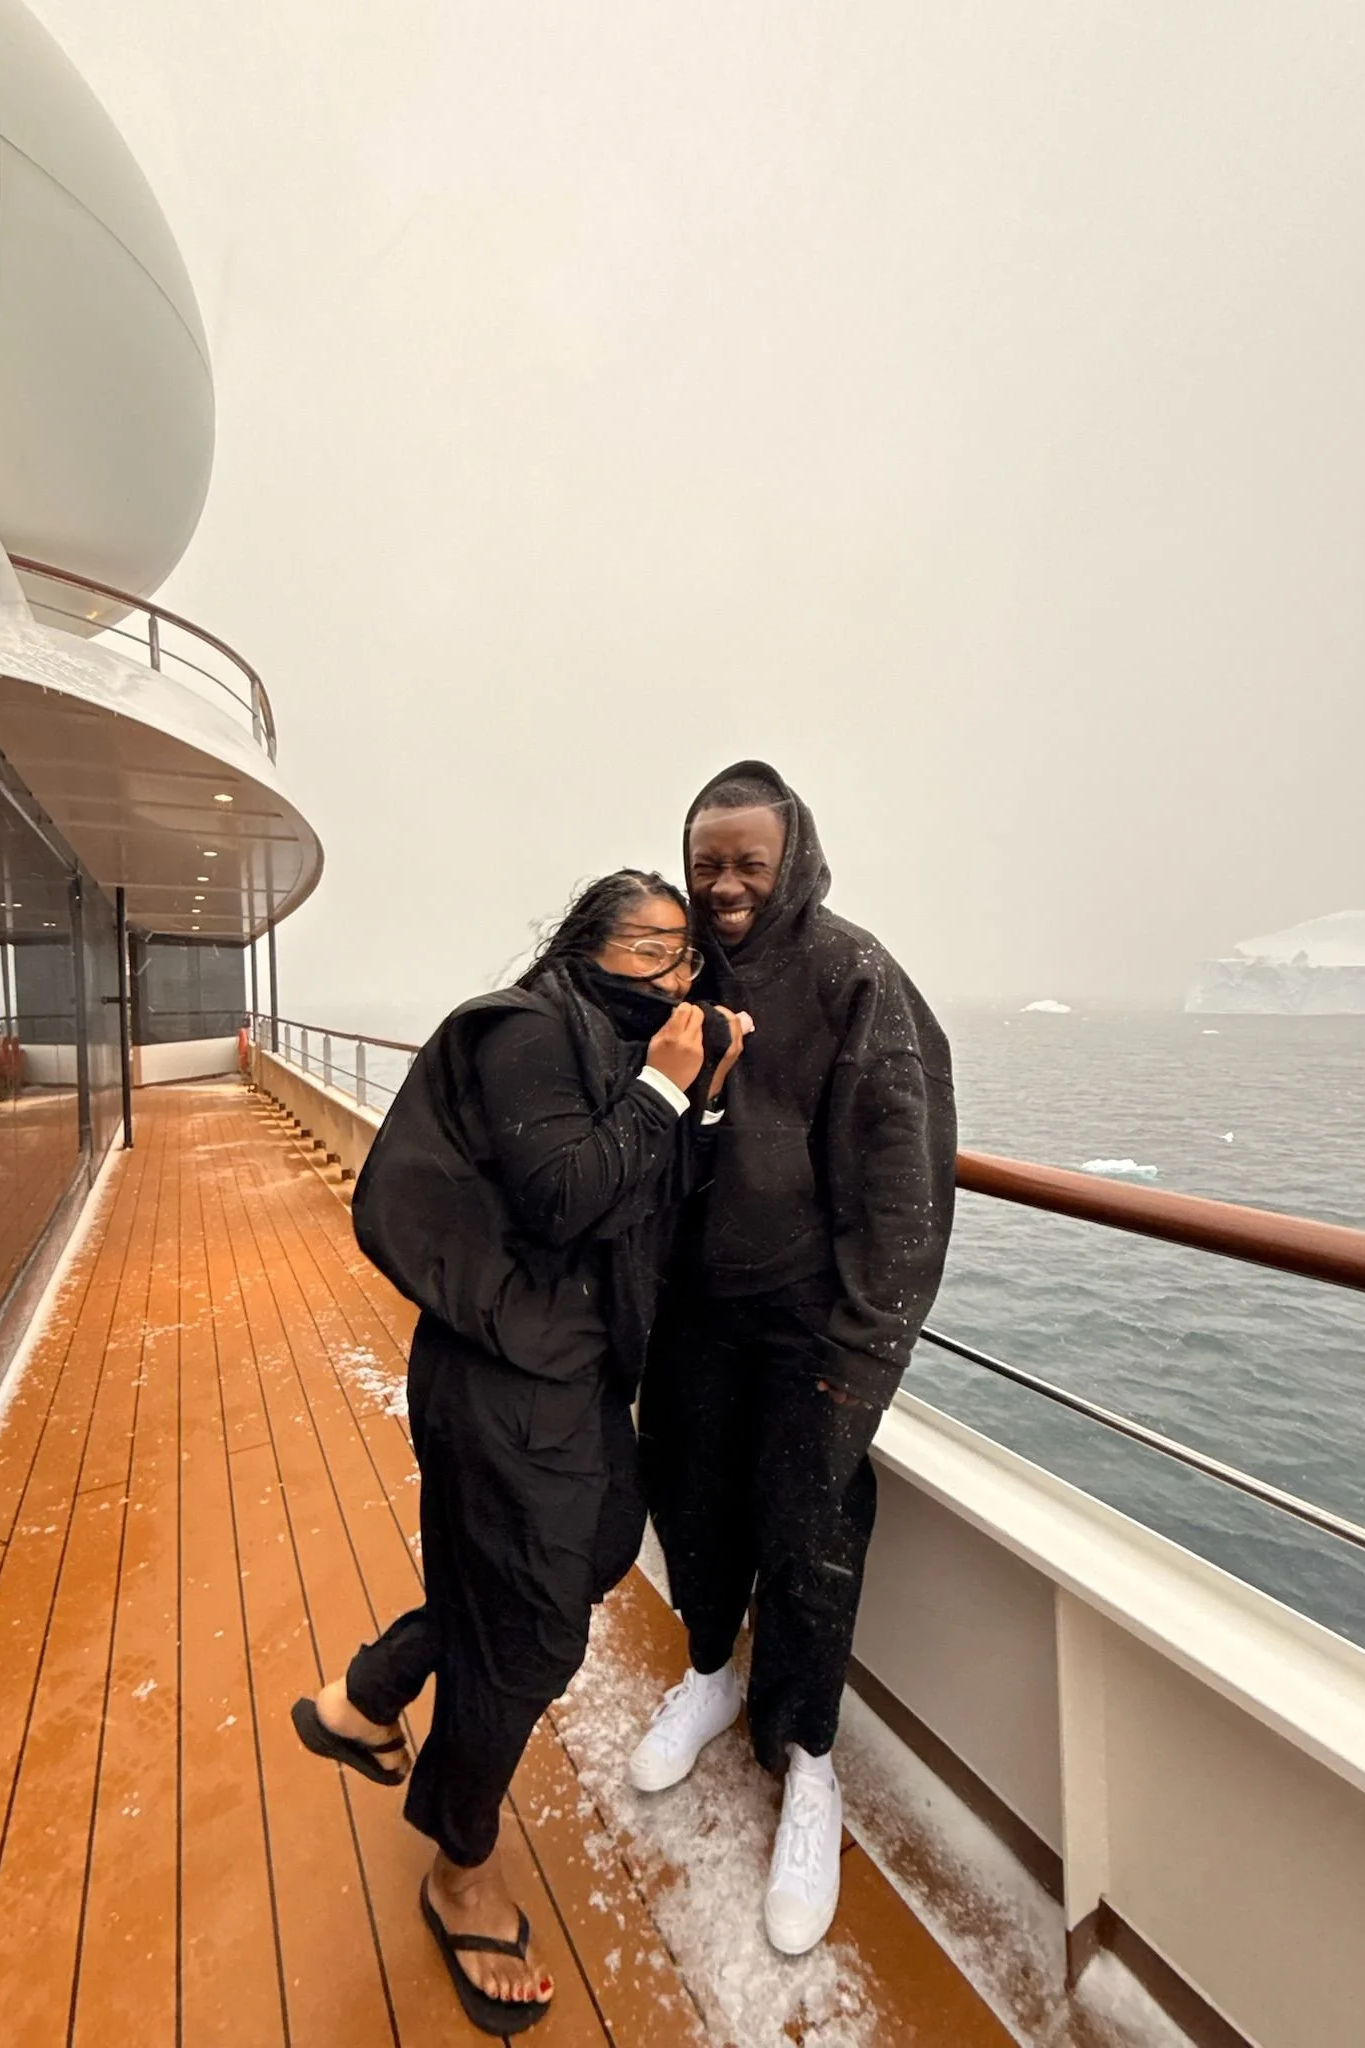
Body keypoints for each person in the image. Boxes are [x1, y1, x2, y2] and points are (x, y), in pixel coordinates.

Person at [291, 870, 743, 2037]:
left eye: (687, 956)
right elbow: (561, 1198)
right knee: (533, 1634)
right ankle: (460, 1864)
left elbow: (651, 1200)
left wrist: (696, 1100)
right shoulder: (530, 1032)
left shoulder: (618, 1044)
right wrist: (665, 1085)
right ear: (590, 944)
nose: (678, 975)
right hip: (500, 1375)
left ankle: (369, 1694)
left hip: (572, 1374)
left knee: (593, 1547)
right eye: (654, 950)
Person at [632, 760, 957, 1957]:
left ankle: (809, 1756)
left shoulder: (852, 974)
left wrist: (858, 1360)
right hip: (690, 1316)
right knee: (691, 1505)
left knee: (811, 1541)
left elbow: (905, 1191)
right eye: (707, 862)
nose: (725, 884)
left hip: (809, 1328)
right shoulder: (677, 969)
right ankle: (710, 1670)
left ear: (793, 861)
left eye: (748, 864)